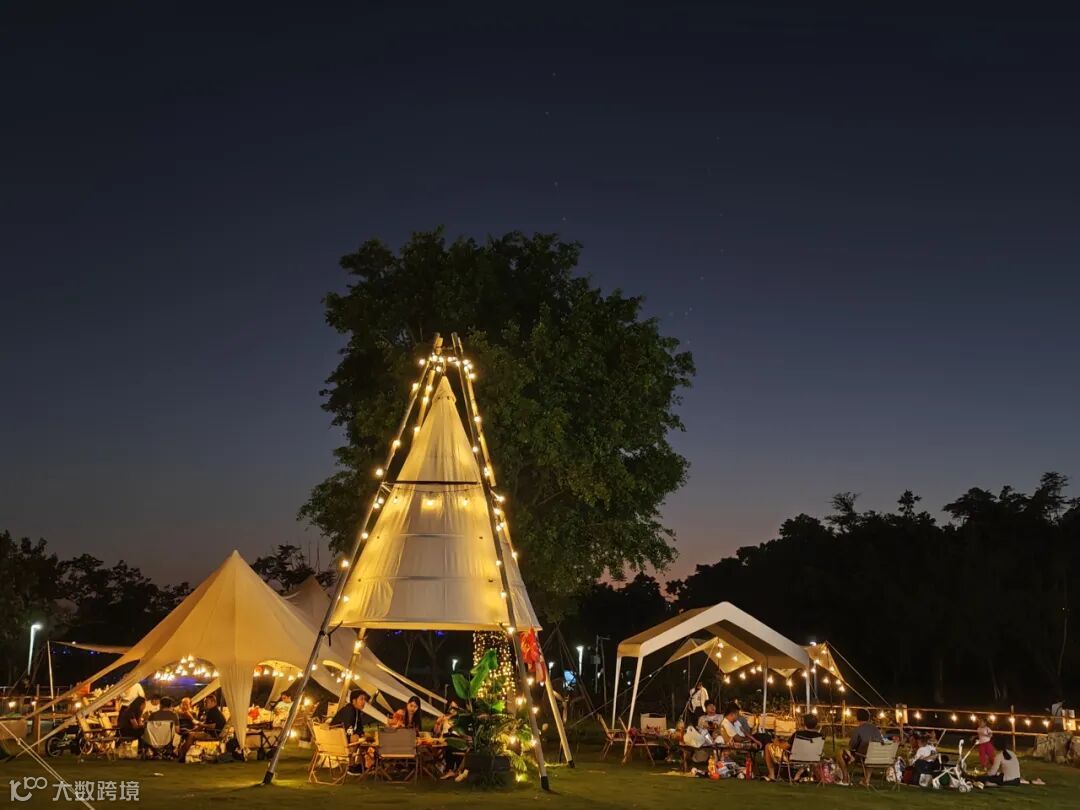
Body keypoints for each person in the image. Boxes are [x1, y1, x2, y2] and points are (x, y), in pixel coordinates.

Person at [764, 713, 823, 781]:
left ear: (804, 723)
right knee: (805, 756)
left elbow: (784, 747)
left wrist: (777, 743)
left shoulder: (798, 734)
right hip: (812, 758)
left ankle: (772, 775)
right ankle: (798, 774)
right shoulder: (820, 735)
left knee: (768, 746)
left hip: (794, 758)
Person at [838, 708, 883, 785]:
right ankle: (866, 780)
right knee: (869, 754)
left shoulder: (858, 730)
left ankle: (845, 780)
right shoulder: (876, 729)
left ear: (857, 718)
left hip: (862, 757)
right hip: (876, 757)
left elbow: (852, 745)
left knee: (840, 753)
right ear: (868, 718)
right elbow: (881, 742)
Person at [176, 694, 227, 761]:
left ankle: (182, 756)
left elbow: (212, 726)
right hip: (211, 732)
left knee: (191, 735)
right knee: (190, 734)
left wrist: (200, 725)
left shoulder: (214, 712)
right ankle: (182, 754)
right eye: (204, 702)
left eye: (206, 702)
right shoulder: (212, 711)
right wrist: (192, 730)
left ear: (213, 702)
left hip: (213, 734)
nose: (204, 704)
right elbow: (204, 724)